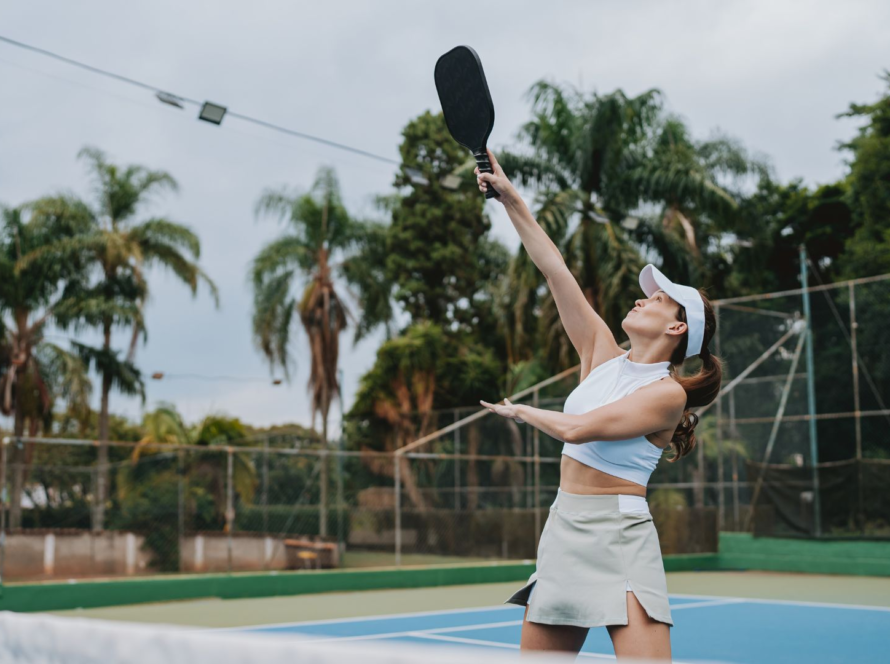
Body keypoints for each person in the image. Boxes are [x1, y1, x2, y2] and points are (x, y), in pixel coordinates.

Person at [476, 150, 722, 661]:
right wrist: (510, 198)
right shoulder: (601, 354)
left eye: (658, 300)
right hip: (563, 527)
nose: (641, 298)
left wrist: (521, 410)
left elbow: (581, 429)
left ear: (678, 329)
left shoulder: (667, 395)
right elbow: (554, 270)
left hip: (620, 535)